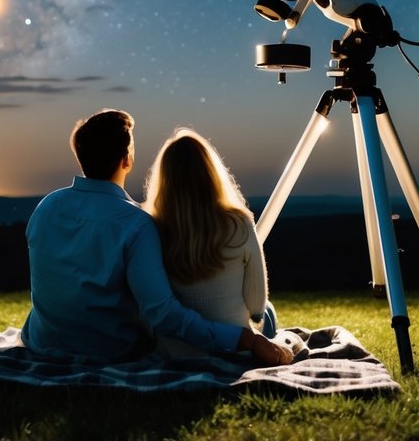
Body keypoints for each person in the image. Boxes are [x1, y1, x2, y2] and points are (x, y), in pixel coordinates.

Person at [20, 109, 292, 366]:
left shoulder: (46, 208)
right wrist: (242, 338)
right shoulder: (135, 224)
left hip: (43, 343)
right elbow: (163, 314)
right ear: (127, 159)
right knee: (264, 314)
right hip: (111, 350)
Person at [143, 127, 278, 358]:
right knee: (267, 311)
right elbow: (256, 308)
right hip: (234, 349)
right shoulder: (239, 223)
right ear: (211, 173)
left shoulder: (151, 228)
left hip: (174, 353)